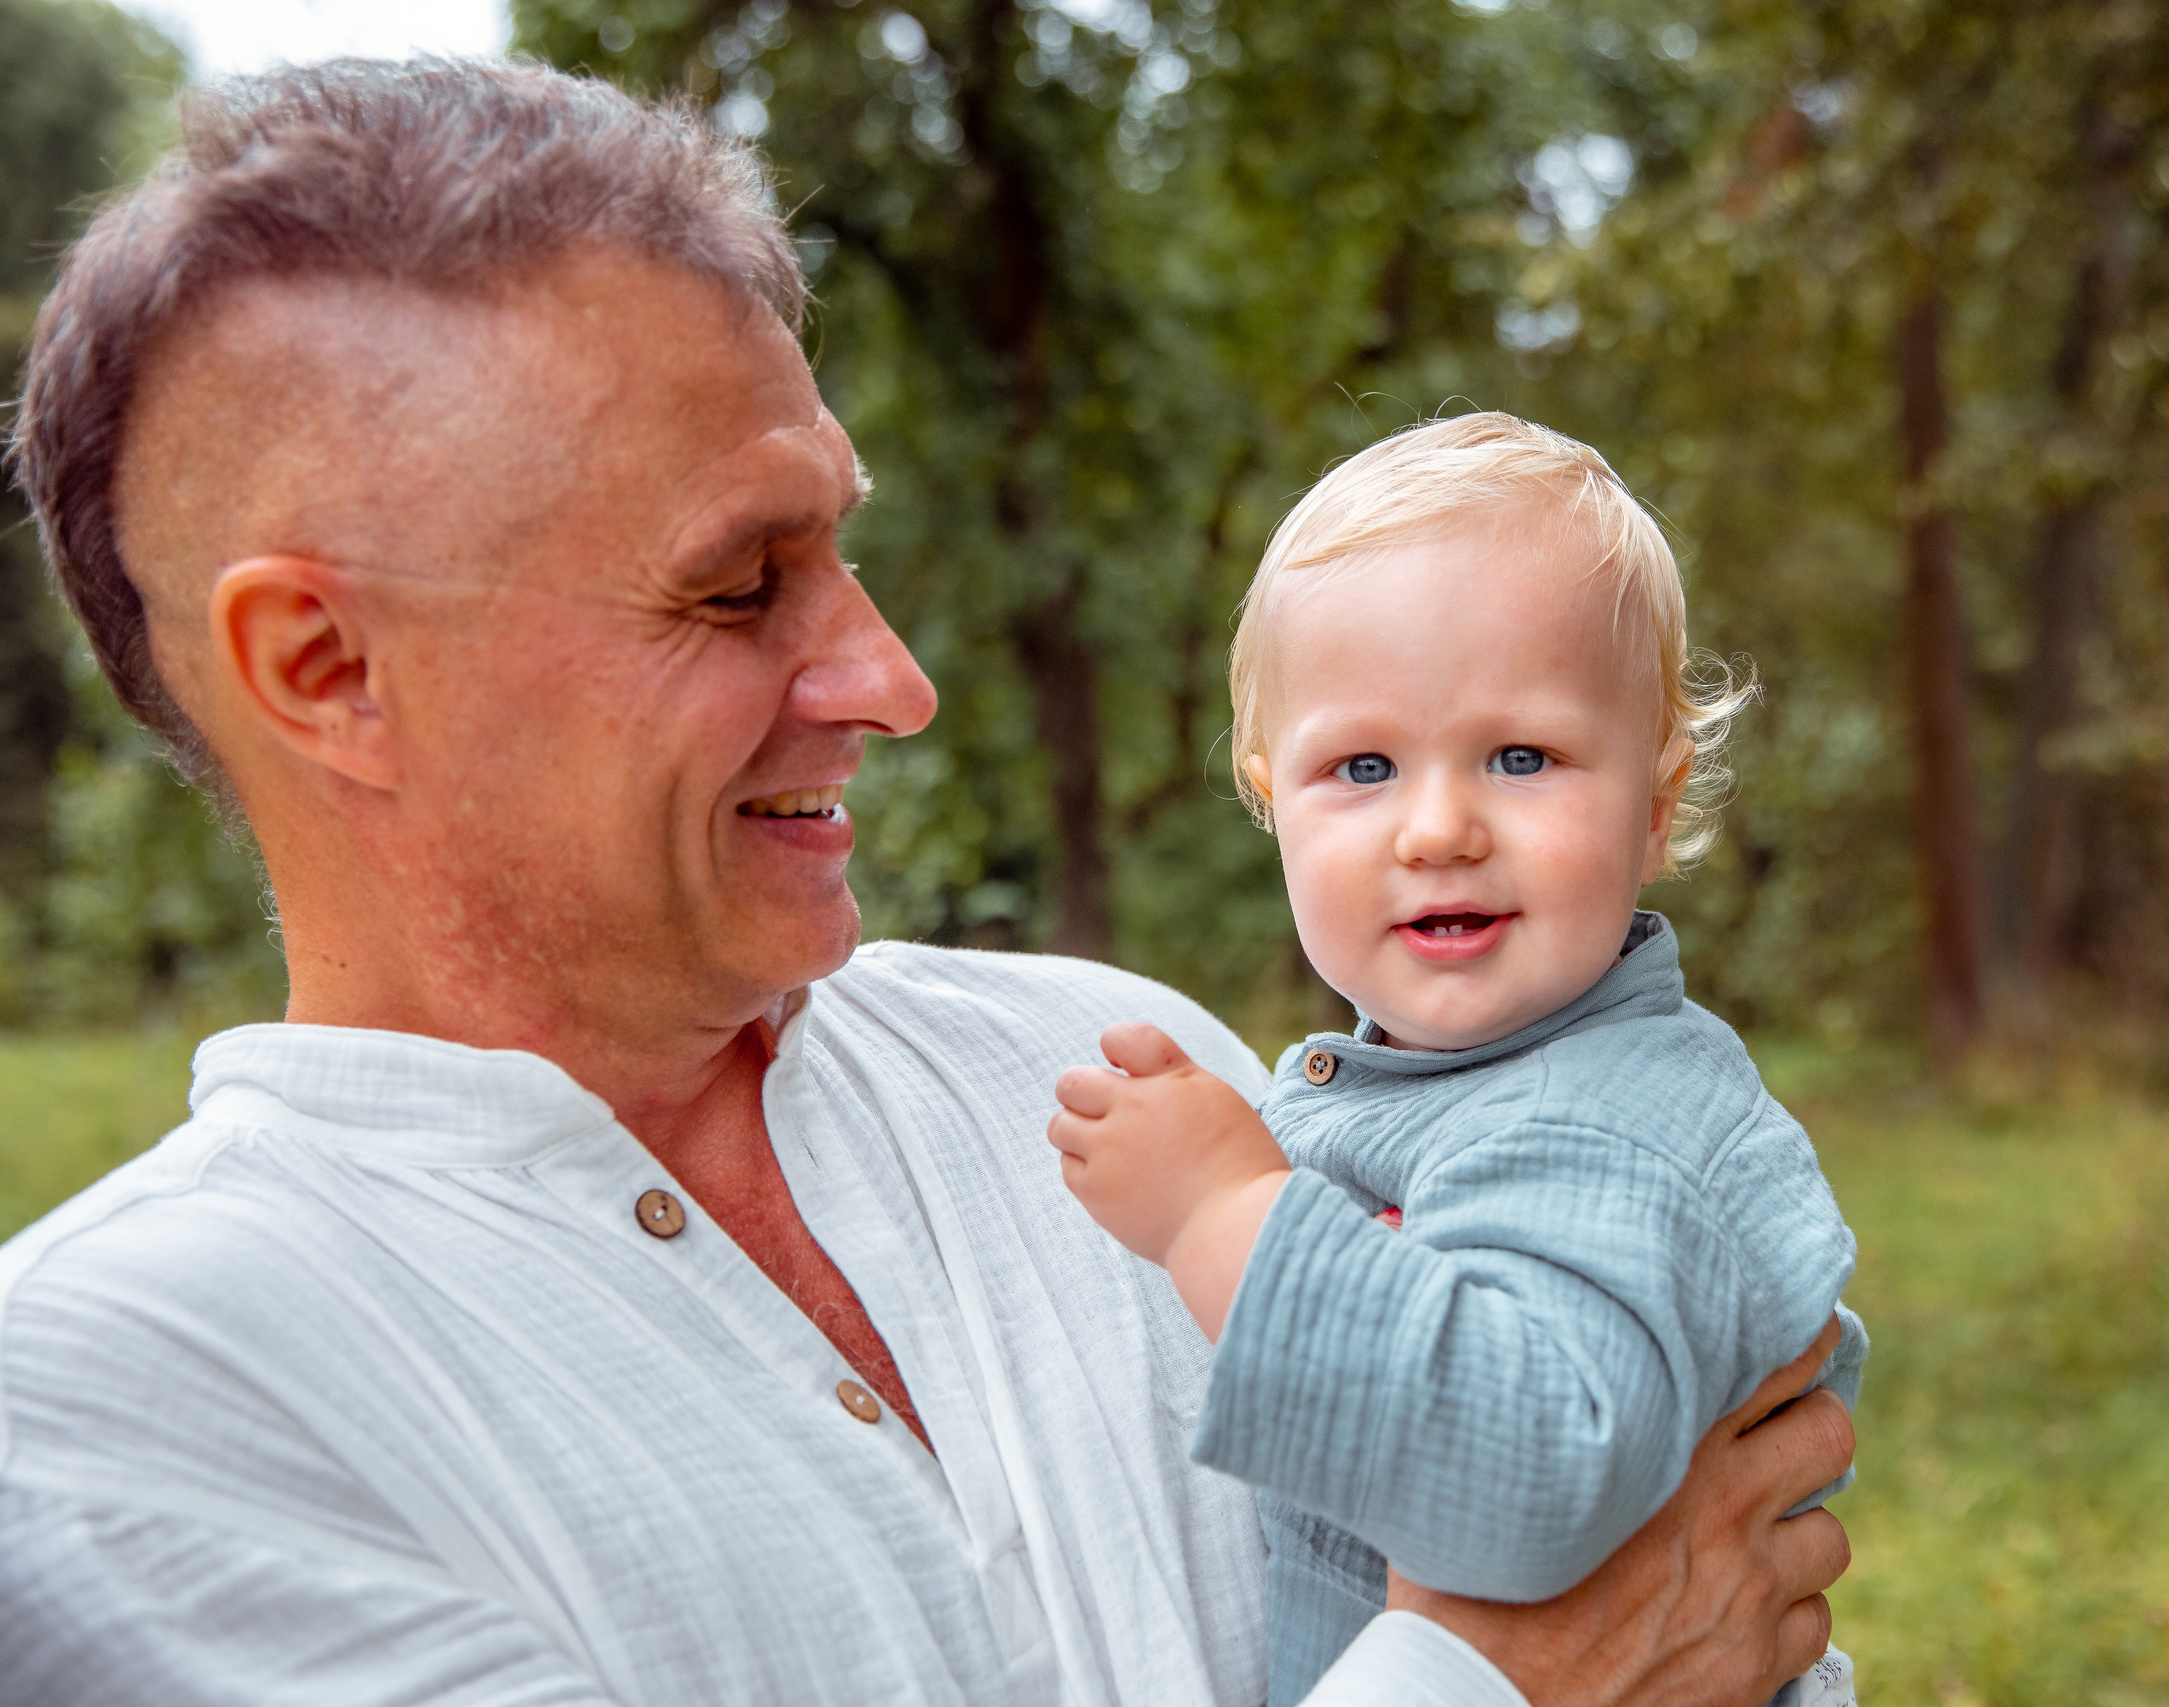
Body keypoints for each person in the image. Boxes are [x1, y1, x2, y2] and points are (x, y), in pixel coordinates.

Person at [0, 59, 1853, 1706]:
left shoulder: (1113, 1070)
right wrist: (1517, 1681)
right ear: (329, 672)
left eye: (840, 553)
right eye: (738, 585)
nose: (889, 680)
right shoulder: (105, 1436)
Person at [1046, 415, 1864, 1707]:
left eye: (1521, 758)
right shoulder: (1448, 1088)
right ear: (1272, 802)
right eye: (1360, 767)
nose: (1438, 829)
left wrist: (1222, 1215)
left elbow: (1530, 1485)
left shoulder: (1610, 1123)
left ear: (1655, 804)